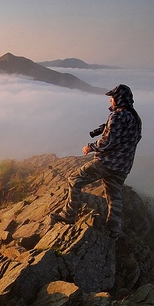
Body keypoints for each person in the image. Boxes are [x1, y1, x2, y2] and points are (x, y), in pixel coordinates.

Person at [51, 84, 142, 238]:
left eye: (112, 98)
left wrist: (90, 147)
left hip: (107, 162)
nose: (110, 101)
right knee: (114, 195)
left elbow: (108, 141)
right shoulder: (135, 117)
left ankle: (68, 214)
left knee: (75, 179)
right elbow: (135, 139)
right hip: (123, 165)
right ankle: (113, 229)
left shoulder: (118, 116)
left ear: (118, 99)